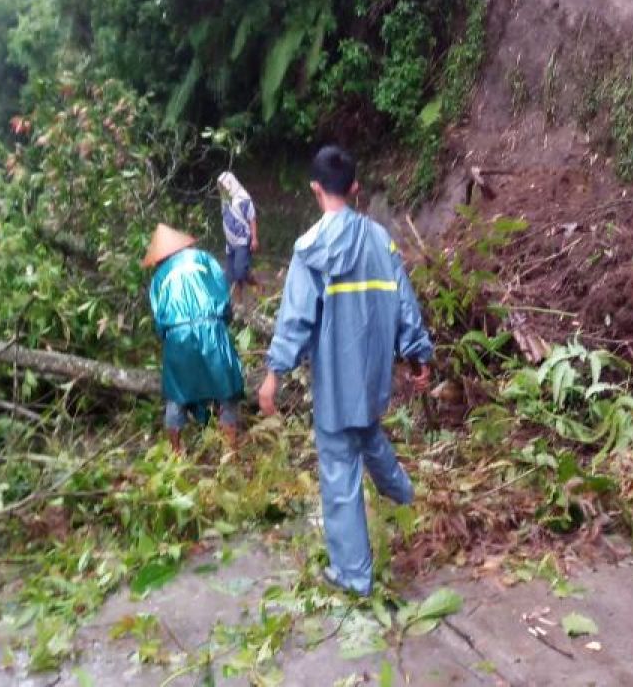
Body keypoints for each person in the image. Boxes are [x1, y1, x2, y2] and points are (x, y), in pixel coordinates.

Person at [257, 145, 433, 597]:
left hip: (337, 381)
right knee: (368, 433)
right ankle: (407, 497)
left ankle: (353, 574)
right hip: (373, 377)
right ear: (355, 188)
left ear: (315, 188)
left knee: (339, 474)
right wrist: (417, 353)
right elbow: (404, 301)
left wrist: (274, 373)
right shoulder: (381, 240)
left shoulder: (310, 249)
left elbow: (296, 319)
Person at [144, 223, 245, 452]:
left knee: (176, 394)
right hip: (211, 328)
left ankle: (176, 454)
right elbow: (222, 293)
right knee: (226, 390)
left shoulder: (159, 278)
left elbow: (159, 318)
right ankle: (230, 452)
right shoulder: (204, 259)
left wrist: (168, 339)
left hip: (177, 336)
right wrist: (222, 321)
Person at [217, 172, 259, 299]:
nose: (222, 189)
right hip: (230, 243)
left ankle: (241, 295)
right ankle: (252, 285)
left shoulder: (243, 199)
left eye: (223, 186)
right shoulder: (225, 199)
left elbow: (252, 219)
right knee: (229, 276)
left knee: (239, 272)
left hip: (242, 240)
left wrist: (254, 238)